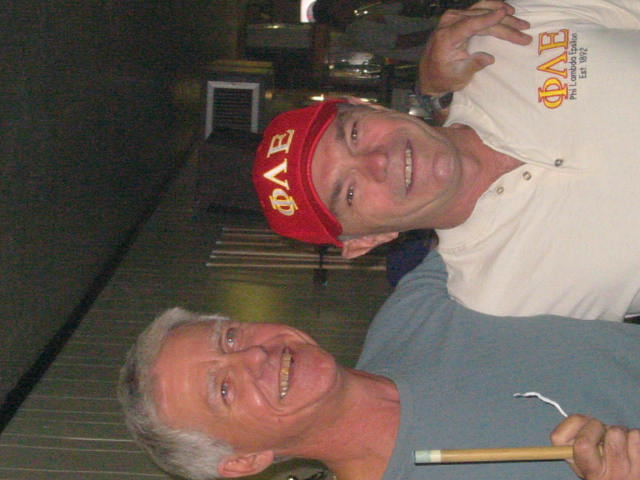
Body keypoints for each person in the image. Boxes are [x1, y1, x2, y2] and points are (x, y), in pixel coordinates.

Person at [252, 0, 640, 322]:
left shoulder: (504, 38)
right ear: (365, 241)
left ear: (368, 105)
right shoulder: (504, 302)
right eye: (349, 193)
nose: (377, 161)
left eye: (354, 133)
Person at [118, 252, 640, 480]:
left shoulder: (420, 305)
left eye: (230, 336)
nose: (253, 356)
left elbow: (508, 194)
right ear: (244, 461)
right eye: (224, 390)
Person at [311, 0, 440, 62]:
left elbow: (401, 7)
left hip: (438, 41)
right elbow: (404, 42)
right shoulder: (360, 31)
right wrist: (440, 31)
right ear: (335, 12)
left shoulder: (362, 20)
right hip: (437, 46)